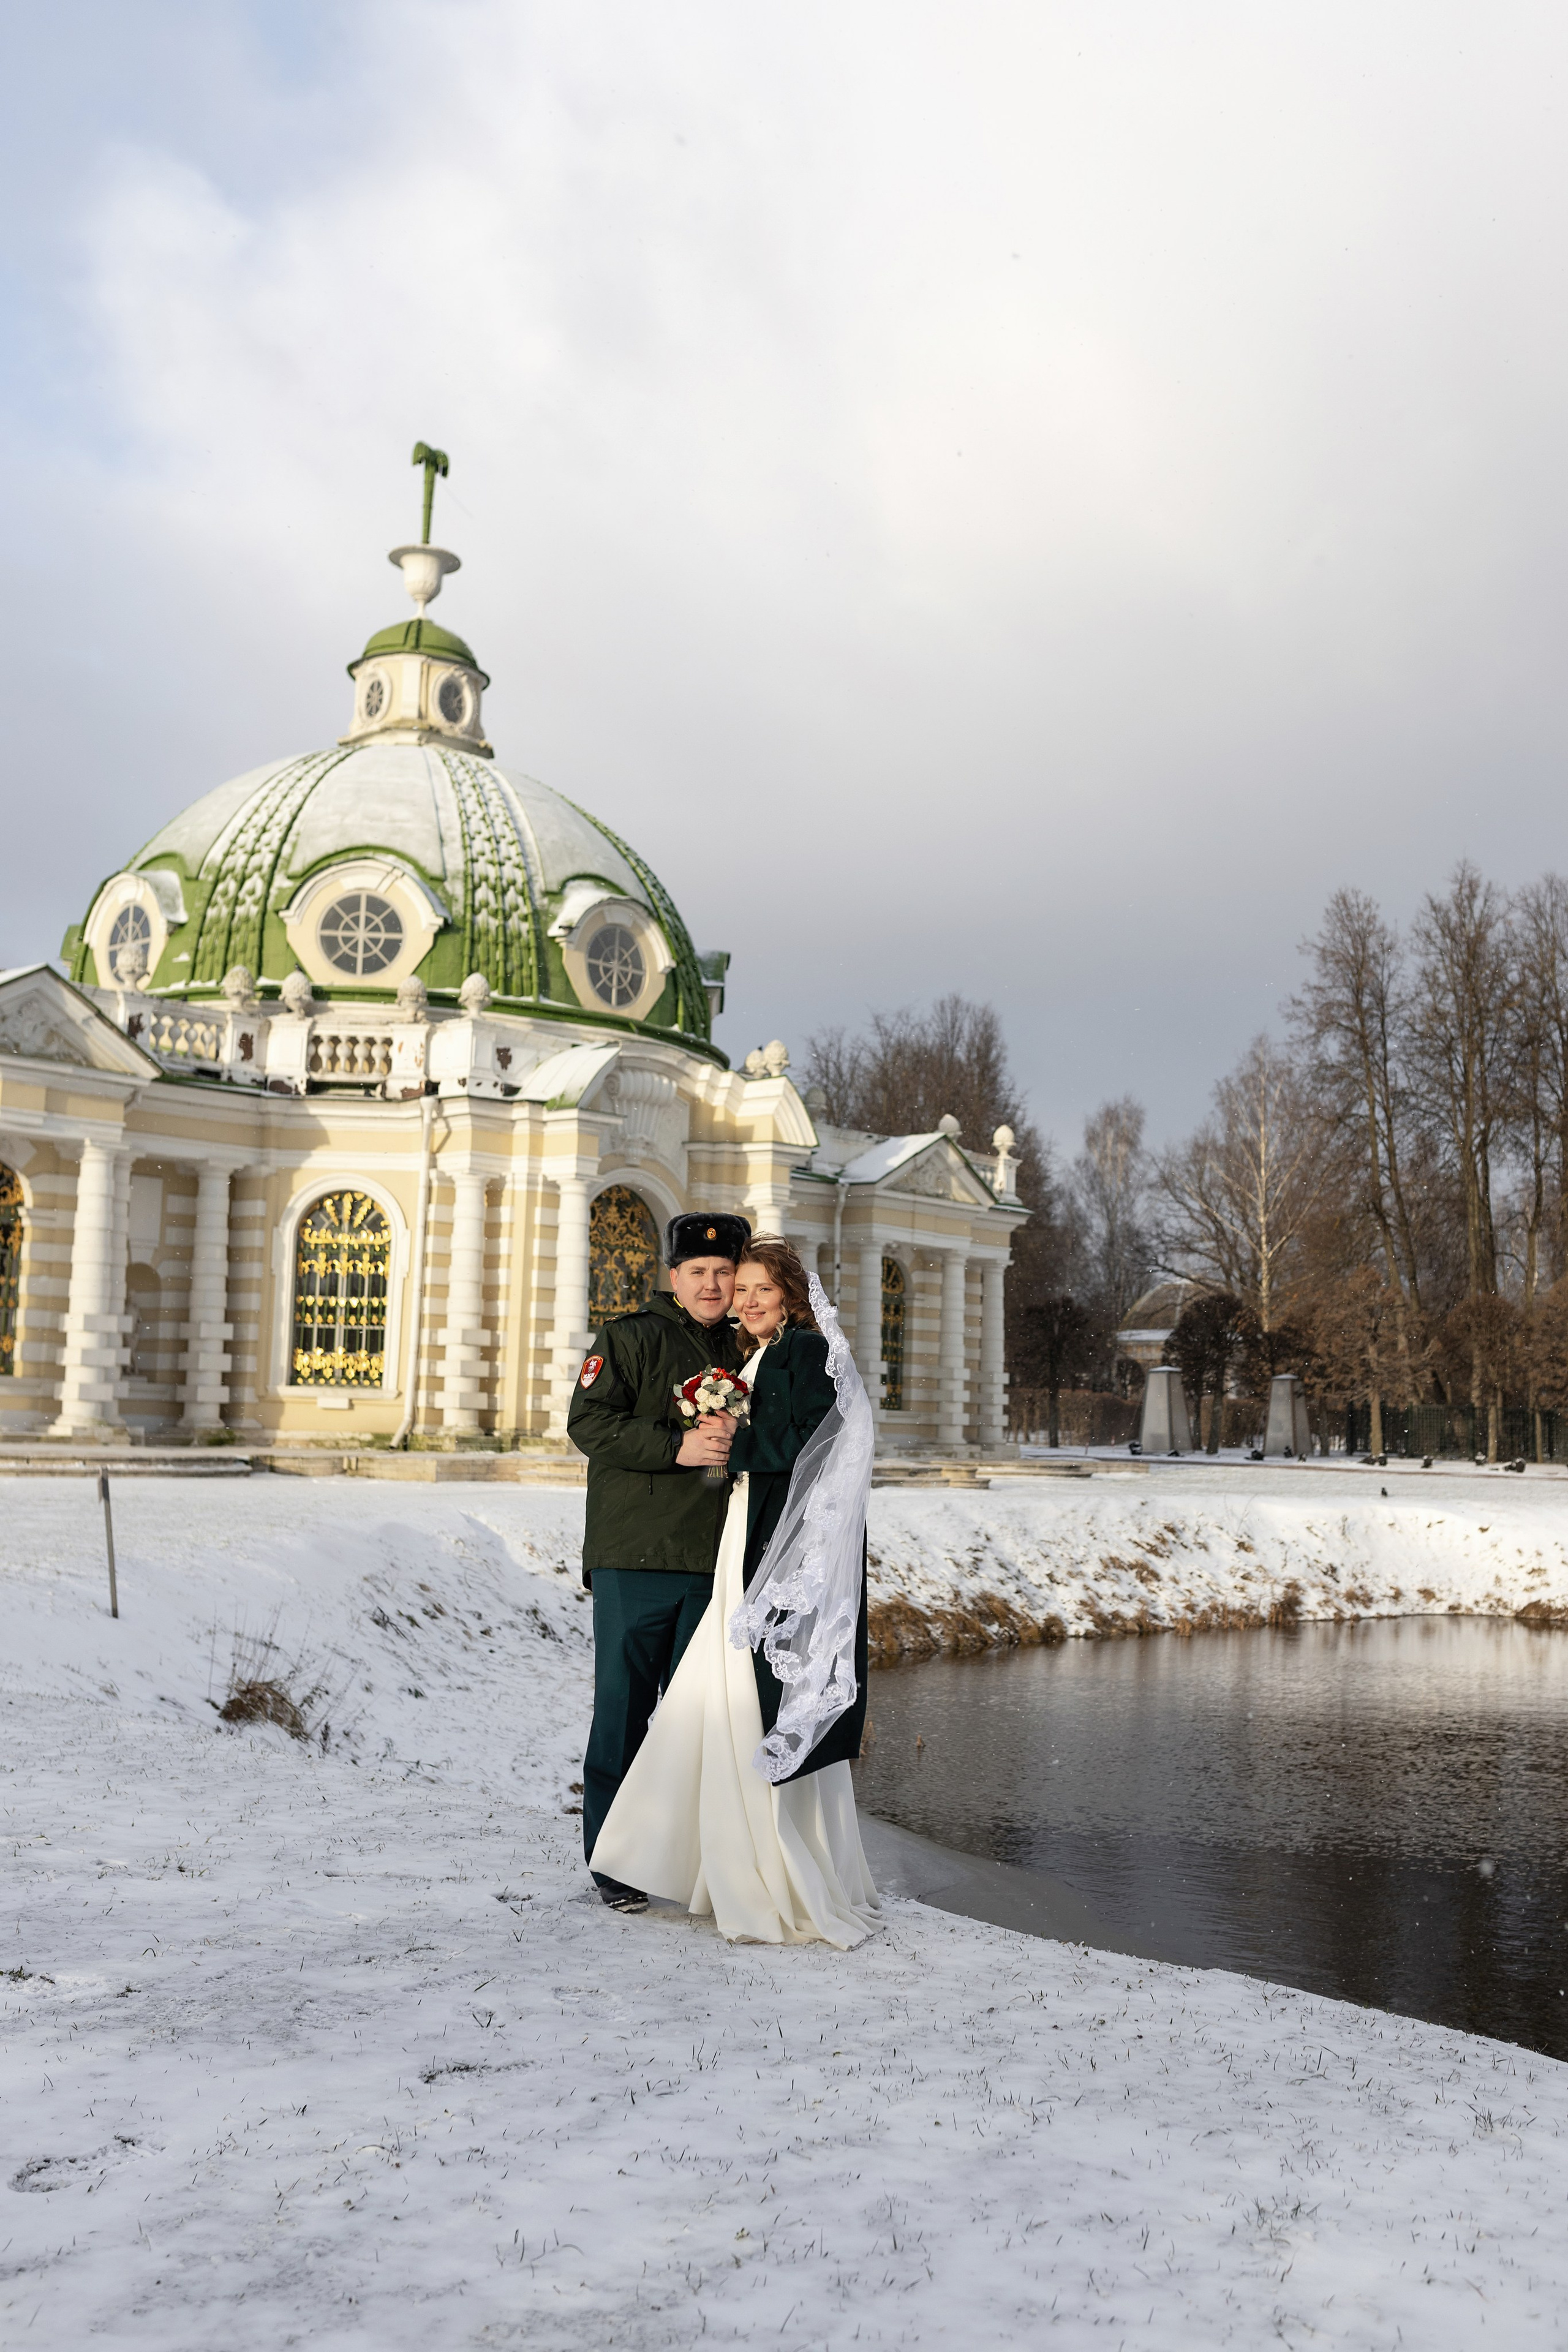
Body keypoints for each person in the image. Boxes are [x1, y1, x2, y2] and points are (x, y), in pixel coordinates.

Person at [589, 1238, 881, 1947]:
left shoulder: (799, 1350)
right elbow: (591, 1423)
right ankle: (629, 1860)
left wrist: (732, 1442)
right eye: (723, 1280)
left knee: (725, 1704)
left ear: (790, 1293)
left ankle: (723, 1861)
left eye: (753, 1285)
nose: (739, 1296)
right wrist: (701, 1443)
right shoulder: (646, 1338)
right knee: (670, 1705)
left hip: (744, 1544)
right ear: (675, 1277)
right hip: (667, 1549)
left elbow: (812, 1440)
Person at [568, 1210, 753, 1911]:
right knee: (622, 1712)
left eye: (724, 1272)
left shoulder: (748, 1349)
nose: (712, 1284)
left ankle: (679, 1856)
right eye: (698, 1272)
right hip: (635, 1557)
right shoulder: (628, 1337)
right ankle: (614, 1862)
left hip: (714, 1563)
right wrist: (675, 1447)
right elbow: (588, 1422)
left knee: (694, 1722)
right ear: (673, 1276)